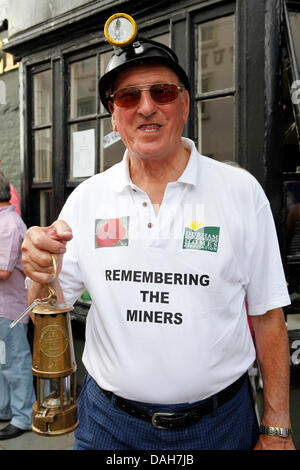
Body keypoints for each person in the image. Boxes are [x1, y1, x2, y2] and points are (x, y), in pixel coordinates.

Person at [21, 14, 295, 450]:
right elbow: (46, 310)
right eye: (128, 97)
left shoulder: (240, 192)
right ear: (115, 117)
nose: (146, 106)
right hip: (110, 427)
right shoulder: (88, 200)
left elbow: (267, 316)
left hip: (219, 426)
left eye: (162, 92)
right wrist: (38, 273)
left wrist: (277, 427)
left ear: (184, 106)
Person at [0, 171, 35, 440]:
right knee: (3, 361)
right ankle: (5, 409)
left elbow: (4, 272)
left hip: (10, 307)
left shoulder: (9, 224)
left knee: (14, 361)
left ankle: (23, 417)